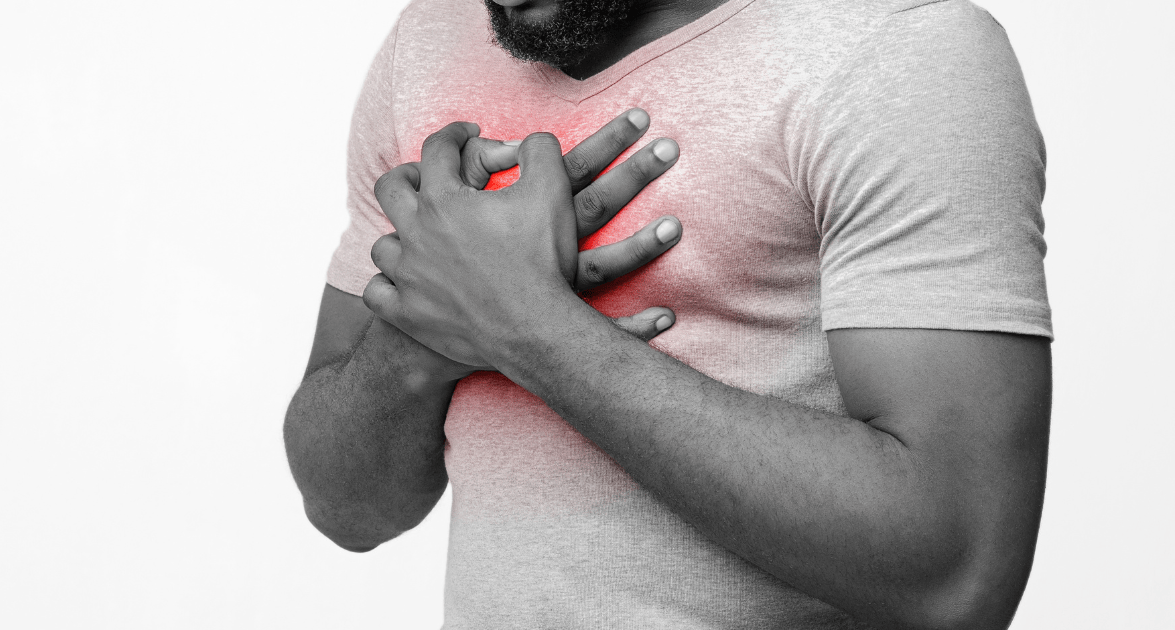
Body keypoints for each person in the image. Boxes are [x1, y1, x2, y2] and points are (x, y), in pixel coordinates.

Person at [283, 0, 1053, 627]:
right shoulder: (429, 40)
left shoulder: (900, 52)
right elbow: (345, 507)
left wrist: (526, 326)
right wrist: (424, 340)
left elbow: (957, 576)